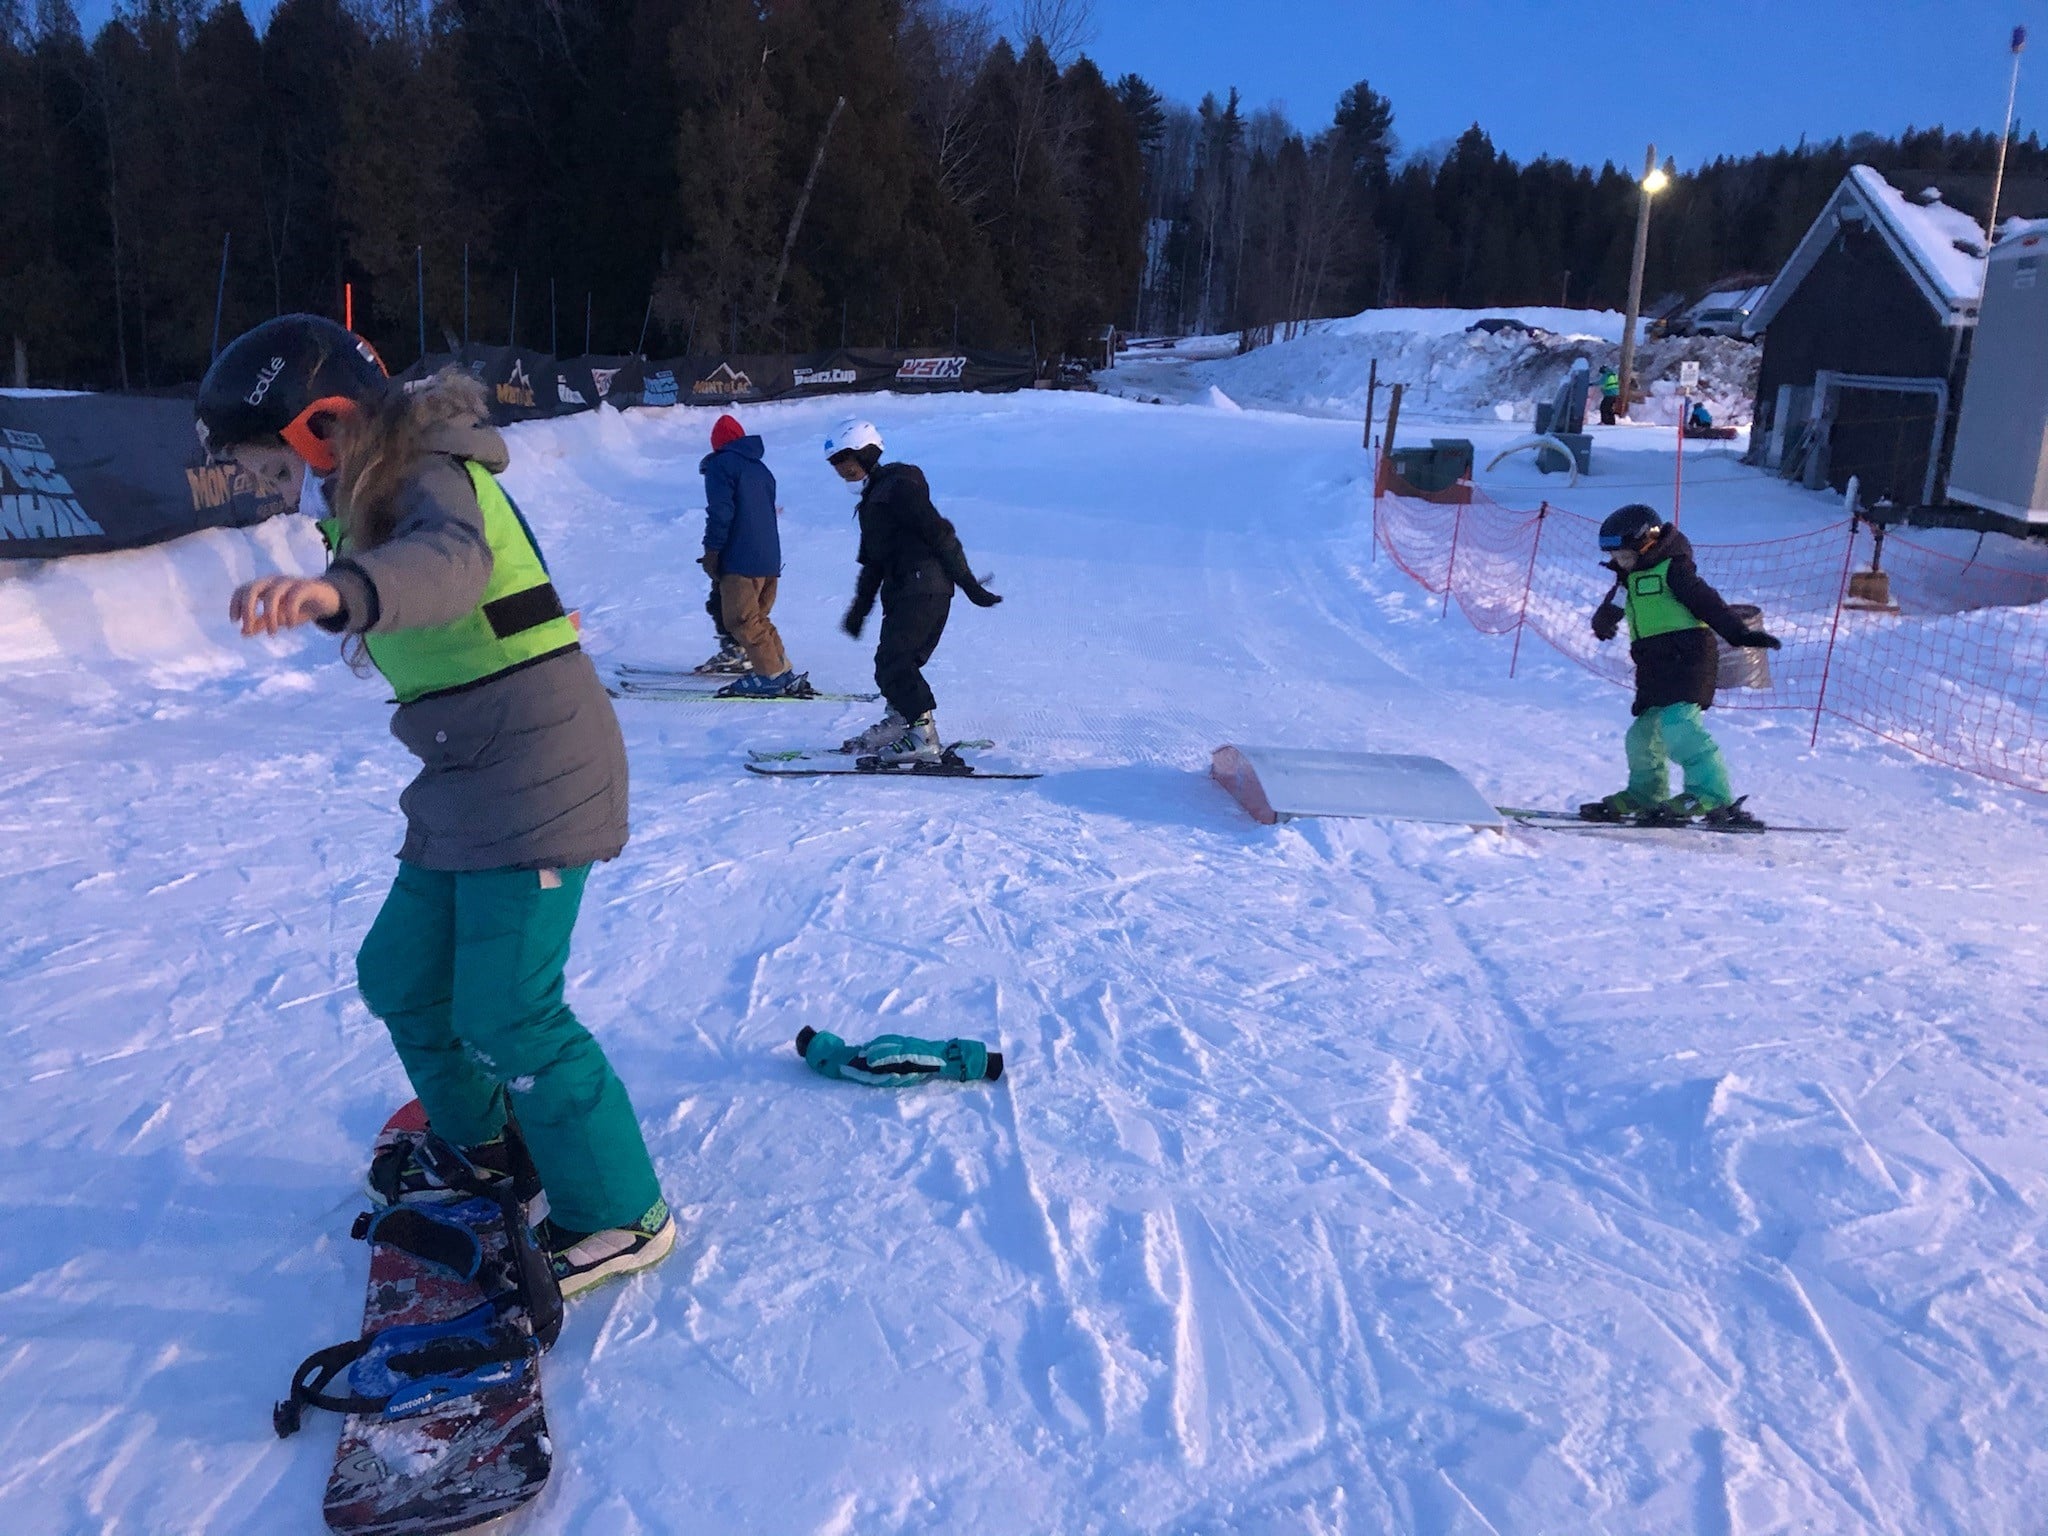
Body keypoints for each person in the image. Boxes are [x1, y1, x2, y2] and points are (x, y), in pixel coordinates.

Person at [198, 314, 673, 1298]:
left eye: (262, 453)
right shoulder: (363, 491)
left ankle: (621, 1214)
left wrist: (340, 591)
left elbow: (449, 565)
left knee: (509, 1009)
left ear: (320, 422)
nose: (266, 481)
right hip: (460, 772)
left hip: (539, 763)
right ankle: (490, 1148)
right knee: (401, 974)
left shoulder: (426, 474)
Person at [1583, 504, 1781, 828]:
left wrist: (1740, 633)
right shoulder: (1627, 579)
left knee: (1680, 725)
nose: (1620, 563)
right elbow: (1614, 606)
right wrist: (1604, 621)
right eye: (1616, 557)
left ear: (1647, 543)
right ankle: (1646, 793)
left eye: (1625, 556)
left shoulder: (1674, 572)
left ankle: (1712, 794)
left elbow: (1709, 605)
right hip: (1653, 665)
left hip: (1690, 659)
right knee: (1641, 735)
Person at [823, 419, 1001, 762]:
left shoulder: (898, 489)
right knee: (895, 663)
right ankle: (904, 723)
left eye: (844, 458)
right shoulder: (876, 497)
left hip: (922, 588)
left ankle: (921, 736)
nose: (840, 468)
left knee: (894, 664)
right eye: (834, 463)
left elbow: (940, 534)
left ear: (865, 452)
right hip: (912, 590)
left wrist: (969, 585)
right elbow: (873, 562)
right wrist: (859, 610)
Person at [701, 413, 807, 698]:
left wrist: (712, 550)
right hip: (769, 560)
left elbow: (721, 511)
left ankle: (769, 674)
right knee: (758, 617)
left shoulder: (721, 465)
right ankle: (781, 668)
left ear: (718, 444)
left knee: (741, 619)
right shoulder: (762, 470)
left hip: (740, 559)